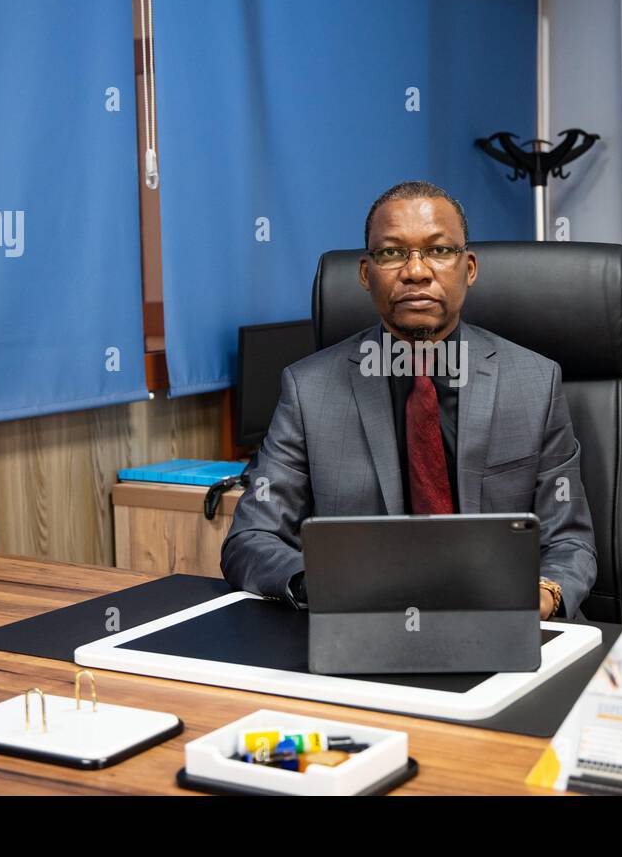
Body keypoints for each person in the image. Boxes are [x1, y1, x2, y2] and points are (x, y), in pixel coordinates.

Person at [220, 180, 597, 619]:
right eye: (392, 252)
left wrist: (542, 595)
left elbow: (570, 540)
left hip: (509, 619)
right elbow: (251, 539)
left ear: (469, 267)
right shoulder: (309, 390)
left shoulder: (534, 381)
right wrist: (324, 583)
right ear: (365, 273)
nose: (416, 271)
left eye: (439, 251)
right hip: (366, 622)